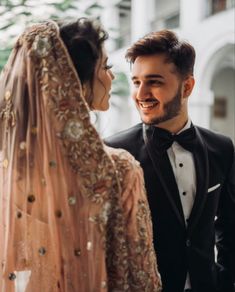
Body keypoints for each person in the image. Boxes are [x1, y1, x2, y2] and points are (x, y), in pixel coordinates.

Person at [0, 18, 162, 292]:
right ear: (74, 81)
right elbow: (142, 278)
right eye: (106, 66)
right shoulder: (117, 169)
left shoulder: (10, 173)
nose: (111, 76)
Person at [105, 29, 235, 292]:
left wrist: (225, 281)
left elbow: (229, 228)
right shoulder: (115, 152)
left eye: (154, 81)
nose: (141, 94)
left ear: (187, 86)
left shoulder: (221, 148)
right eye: (136, 82)